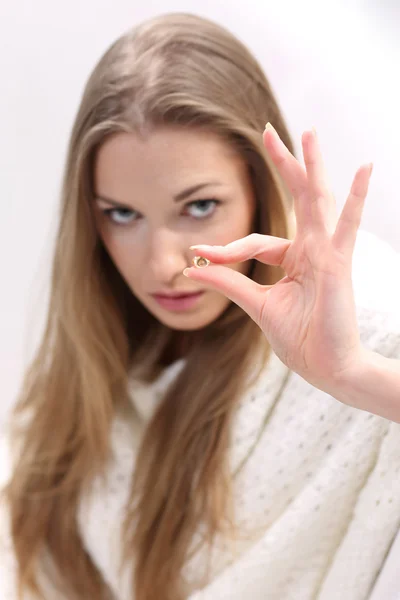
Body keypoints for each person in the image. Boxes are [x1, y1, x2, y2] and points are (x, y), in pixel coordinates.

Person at [1, 12, 400, 600]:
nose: (163, 265)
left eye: (199, 206)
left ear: (259, 186)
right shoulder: (103, 340)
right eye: (122, 214)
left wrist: (353, 374)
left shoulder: (364, 315)